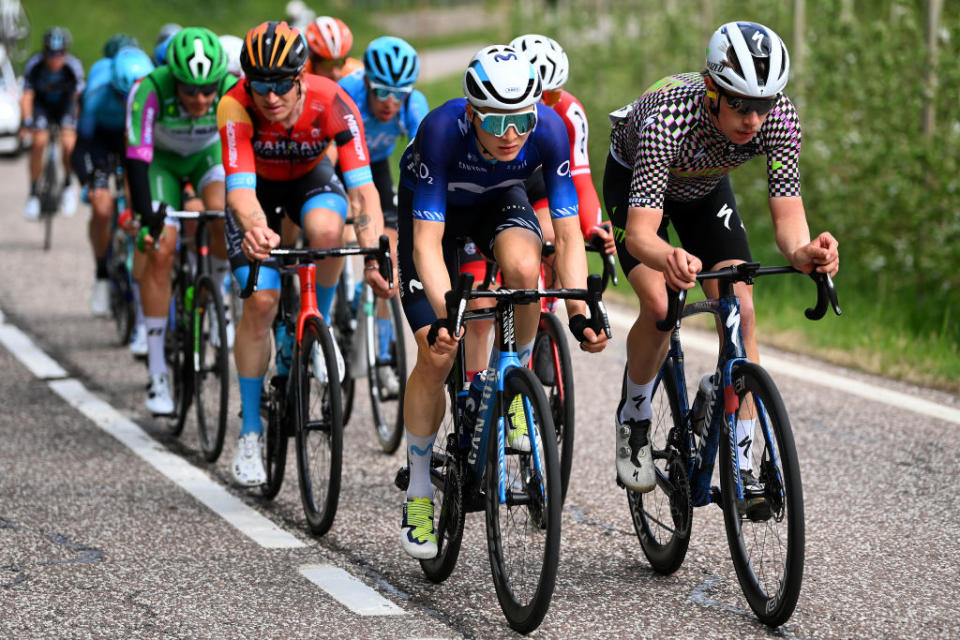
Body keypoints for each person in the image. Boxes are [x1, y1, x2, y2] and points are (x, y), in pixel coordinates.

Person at [603, 21, 839, 494]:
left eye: (763, 104)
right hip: (639, 189)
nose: (754, 119)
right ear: (712, 90)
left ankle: (743, 459)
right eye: (740, 104)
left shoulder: (781, 120)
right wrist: (670, 254)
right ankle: (634, 416)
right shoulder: (666, 120)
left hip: (705, 191)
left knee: (742, 310)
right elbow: (640, 236)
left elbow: (789, 218)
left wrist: (803, 251)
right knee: (660, 306)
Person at [395, 45, 609, 559]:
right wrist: (445, 315)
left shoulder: (550, 129)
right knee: (437, 352)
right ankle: (420, 488)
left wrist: (580, 311)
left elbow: (569, 233)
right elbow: (426, 245)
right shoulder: (441, 131)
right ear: (472, 113)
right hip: (435, 217)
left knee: (524, 272)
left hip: (498, 203)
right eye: (496, 120)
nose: (512, 133)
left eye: (521, 119)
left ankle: (516, 382)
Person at [217, 21, 389, 486]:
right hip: (257, 194)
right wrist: (255, 229)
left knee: (329, 230)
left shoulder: (331, 99)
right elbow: (238, 190)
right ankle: (250, 431)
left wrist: (374, 256)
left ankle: (320, 329)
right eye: (259, 86)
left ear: (300, 77)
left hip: (310, 181)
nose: (269, 98)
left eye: (280, 86)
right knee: (262, 302)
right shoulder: (234, 104)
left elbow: (363, 190)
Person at [125, 27, 237, 415]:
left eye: (208, 90)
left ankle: (219, 292)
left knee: (226, 212)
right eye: (190, 90)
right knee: (162, 248)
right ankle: (157, 371)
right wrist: (146, 214)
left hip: (207, 157)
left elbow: (245, 147)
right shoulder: (149, 89)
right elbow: (136, 157)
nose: (201, 99)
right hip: (160, 164)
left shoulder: (231, 85)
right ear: (173, 77)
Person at [339, 36, 428, 396]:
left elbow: (426, 154)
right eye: (382, 92)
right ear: (366, 84)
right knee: (343, 227)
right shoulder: (346, 94)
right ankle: (338, 308)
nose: (392, 102)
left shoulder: (413, 103)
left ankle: (385, 358)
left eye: (400, 93)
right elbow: (329, 155)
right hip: (339, 161)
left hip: (375, 165)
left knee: (388, 253)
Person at [71, 47, 153, 316]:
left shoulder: (153, 94)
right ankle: (102, 274)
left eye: (133, 97)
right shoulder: (96, 95)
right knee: (103, 207)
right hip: (101, 141)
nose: (127, 103)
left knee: (138, 193)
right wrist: (89, 181)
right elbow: (80, 147)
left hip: (133, 139)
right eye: (121, 97)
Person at [21, 27, 84, 219]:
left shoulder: (73, 67)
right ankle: (33, 193)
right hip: (42, 106)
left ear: (66, 53)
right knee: (39, 142)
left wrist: (76, 123)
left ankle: (66, 186)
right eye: (51, 54)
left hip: (64, 106)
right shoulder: (35, 65)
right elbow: (27, 96)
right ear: (44, 52)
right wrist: (27, 122)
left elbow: (78, 98)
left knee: (68, 144)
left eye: (60, 54)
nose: (55, 59)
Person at [304, 16, 362, 81]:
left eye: (340, 62)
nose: (336, 73)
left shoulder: (357, 72)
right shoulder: (300, 76)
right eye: (328, 64)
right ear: (313, 60)